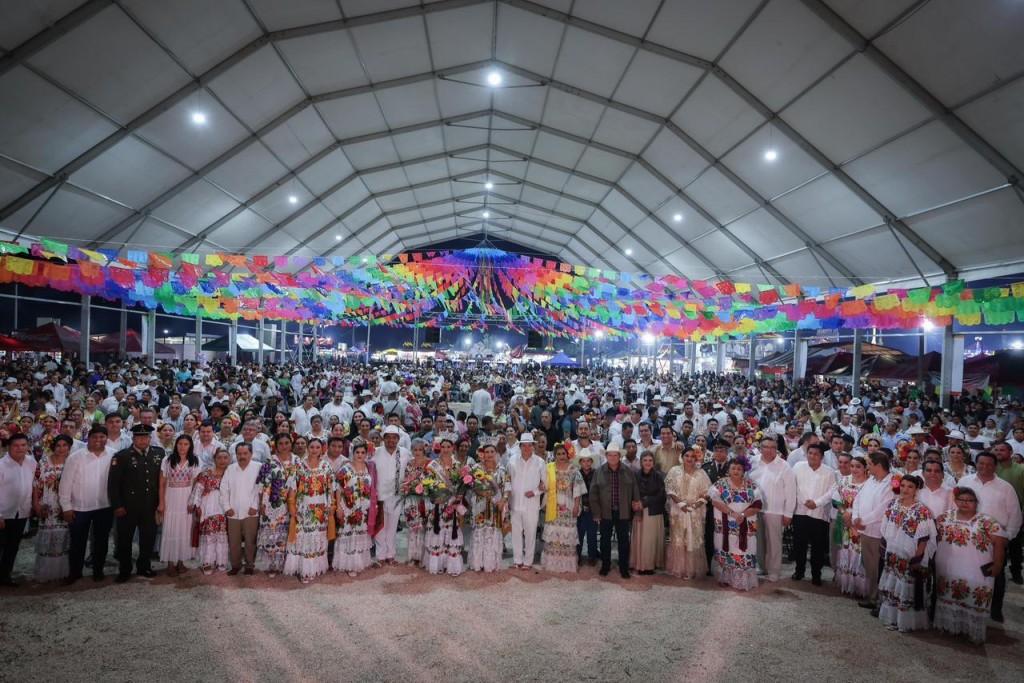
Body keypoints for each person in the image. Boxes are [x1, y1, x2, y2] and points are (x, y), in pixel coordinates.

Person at [934, 486, 1006, 644]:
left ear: (976, 502)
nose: (965, 503)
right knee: (948, 596)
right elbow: (935, 538)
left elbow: (999, 544)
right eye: (961, 499)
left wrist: (998, 565)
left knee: (974, 600)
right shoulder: (943, 518)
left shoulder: (987, 522)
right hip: (948, 567)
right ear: (956, 501)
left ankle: (972, 634)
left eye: (970, 500)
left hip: (976, 571)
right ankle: (950, 628)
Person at [957, 451, 1023, 623]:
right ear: (976, 464)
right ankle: (966, 603)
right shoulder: (965, 481)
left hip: (995, 540)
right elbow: (954, 505)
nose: (984, 467)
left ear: (995, 466)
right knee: (967, 572)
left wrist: (1007, 537)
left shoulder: (1006, 487)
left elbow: (1015, 515)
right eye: (981, 463)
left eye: (989, 464)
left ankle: (995, 609)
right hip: (967, 537)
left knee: (997, 574)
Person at [878, 475, 937, 632]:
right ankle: (893, 620)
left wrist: (917, 558)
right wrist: (885, 547)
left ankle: (906, 622)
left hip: (910, 556)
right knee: (893, 586)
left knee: (906, 587)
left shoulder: (922, 511)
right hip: (893, 552)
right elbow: (885, 527)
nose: (905, 489)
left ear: (916, 489)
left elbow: (924, 538)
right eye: (903, 485)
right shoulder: (893, 504)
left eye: (910, 486)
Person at [108, 424, 163, 583]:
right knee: (125, 540)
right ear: (133, 438)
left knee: (148, 539)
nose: (142, 440)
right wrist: (117, 505)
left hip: (150, 506)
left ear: (150, 438)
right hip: (128, 507)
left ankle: (144, 566)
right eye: (139, 437)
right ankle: (125, 569)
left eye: (145, 437)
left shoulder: (158, 454)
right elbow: (113, 484)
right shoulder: (122, 456)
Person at [59, 426, 114, 584]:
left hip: (105, 506)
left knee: (101, 541)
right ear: (88, 438)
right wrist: (66, 507)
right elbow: (65, 484)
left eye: (102, 437)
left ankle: (98, 570)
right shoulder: (75, 457)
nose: (98, 440)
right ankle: (75, 572)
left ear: (106, 438)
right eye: (94, 437)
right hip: (79, 507)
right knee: (77, 541)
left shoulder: (112, 454)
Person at [708, 456, 762, 590]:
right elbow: (715, 501)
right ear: (728, 470)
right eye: (733, 468)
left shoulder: (751, 484)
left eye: (739, 468)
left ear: (744, 471)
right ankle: (726, 578)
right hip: (725, 526)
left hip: (746, 525)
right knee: (725, 550)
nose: (736, 471)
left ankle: (742, 581)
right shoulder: (720, 484)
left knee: (745, 551)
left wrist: (743, 514)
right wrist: (732, 513)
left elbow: (757, 504)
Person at [285, 438, 335, 583]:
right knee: (303, 538)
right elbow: (292, 488)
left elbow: (332, 488)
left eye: (317, 447)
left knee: (317, 538)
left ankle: (313, 568)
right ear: (307, 448)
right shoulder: (299, 466)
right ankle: (304, 570)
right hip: (303, 508)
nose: (314, 449)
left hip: (321, 509)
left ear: (322, 449)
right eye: (311, 447)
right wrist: (292, 507)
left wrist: (333, 505)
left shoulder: (326, 466)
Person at [852, 452, 896, 613]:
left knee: (880, 568)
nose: (867, 467)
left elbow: (883, 509)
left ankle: (882, 601)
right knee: (870, 567)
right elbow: (858, 499)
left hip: (878, 532)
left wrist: (863, 521)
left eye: (869, 464)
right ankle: (872, 597)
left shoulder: (891, 483)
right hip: (864, 531)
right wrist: (856, 517)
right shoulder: (871, 480)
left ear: (878, 465)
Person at [590, 444, 641, 579]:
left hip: (623, 512)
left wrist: (638, 511)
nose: (612, 457)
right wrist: (596, 513)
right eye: (610, 455)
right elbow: (593, 495)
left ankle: (624, 566)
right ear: (606, 456)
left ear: (620, 456)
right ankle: (605, 565)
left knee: (624, 540)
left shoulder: (629, 471)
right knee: (605, 540)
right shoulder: (599, 472)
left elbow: (635, 491)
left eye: (615, 455)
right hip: (605, 512)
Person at [256, 433, 302, 578]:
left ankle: (290, 563)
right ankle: (273, 565)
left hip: (294, 503)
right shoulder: (269, 461)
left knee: (291, 533)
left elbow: (303, 481)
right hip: (273, 504)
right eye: (280, 443)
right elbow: (261, 484)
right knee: (274, 533)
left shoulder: (298, 460)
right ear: (276, 445)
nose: (284, 446)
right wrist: (261, 504)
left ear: (291, 443)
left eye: (286, 442)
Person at [750, 436, 795, 583]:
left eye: (773, 447)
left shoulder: (783, 466)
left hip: (775, 510)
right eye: (766, 447)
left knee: (774, 541)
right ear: (760, 448)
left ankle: (774, 570)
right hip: (755, 509)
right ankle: (760, 565)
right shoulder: (753, 462)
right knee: (758, 540)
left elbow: (790, 491)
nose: (769, 450)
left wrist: (788, 513)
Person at [790, 443, 836, 586]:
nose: (812, 456)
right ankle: (799, 570)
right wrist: (804, 501)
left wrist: (816, 502)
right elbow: (793, 486)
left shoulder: (829, 471)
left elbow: (832, 491)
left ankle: (816, 574)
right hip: (800, 511)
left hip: (819, 513)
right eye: (810, 453)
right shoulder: (798, 466)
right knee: (800, 544)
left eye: (816, 454)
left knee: (818, 547)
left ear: (822, 456)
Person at [665, 446, 711, 579]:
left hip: (695, 512)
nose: (689, 459)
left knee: (694, 539)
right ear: (682, 457)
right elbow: (669, 488)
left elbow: (707, 492)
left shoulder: (701, 473)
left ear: (696, 458)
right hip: (678, 511)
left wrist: (696, 504)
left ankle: (691, 570)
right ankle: (679, 569)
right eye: (687, 456)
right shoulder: (674, 471)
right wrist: (681, 504)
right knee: (679, 539)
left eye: (692, 456)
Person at [158, 434, 200, 576]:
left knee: (184, 530)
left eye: (186, 444)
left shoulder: (195, 461)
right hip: (171, 498)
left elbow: (195, 484)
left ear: (190, 446)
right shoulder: (168, 460)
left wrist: (193, 502)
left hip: (187, 499)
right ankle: (170, 562)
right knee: (171, 529)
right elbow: (162, 484)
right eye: (180, 444)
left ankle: (181, 561)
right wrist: (161, 502)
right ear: (176, 445)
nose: (182, 447)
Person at [334, 439, 378, 577]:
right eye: (357, 452)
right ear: (352, 453)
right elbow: (338, 489)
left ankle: (359, 562)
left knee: (361, 535)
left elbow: (373, 487)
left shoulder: (369, 468)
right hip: (348, 508)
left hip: (364, 509)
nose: (360, 455)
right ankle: (349, 564)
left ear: (367, 454)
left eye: (363, 452)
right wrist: (339, 508)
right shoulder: (346, 469)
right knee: (349, 535)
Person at [422, 438, 464, 576]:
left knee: (452, 532)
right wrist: (434, 496)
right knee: (437, 531)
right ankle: (437, 564)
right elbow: (425, 483)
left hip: (452, 505)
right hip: (437, 505)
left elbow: (463, 485)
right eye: (443, 446)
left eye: (448, 446)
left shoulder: (458, 465)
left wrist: (458, 499)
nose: (446, 449)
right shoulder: (432, 465)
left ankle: (451, 565)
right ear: (439, 448)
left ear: (453, 448)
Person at [32, 433, 72, 582]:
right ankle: (46, 572)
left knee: (64, 539)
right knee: (48, 539)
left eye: (65, 446)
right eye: (58, 446)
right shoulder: (43, 462)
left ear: (69, 447)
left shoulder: (72, 462)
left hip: (65, 506)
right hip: (48, 505)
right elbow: (36, 484)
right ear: (53, 447)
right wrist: (36, 504)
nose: (61, 449)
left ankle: (63, 571)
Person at [540, 443, 585, 573]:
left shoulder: (573, 470)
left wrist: (576, 506)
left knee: (567, 535)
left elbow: (578, 490)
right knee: (553, 536)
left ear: (567, 455)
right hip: (553, 508)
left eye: (563, 454)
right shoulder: (549, 469)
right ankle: (552, 564)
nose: (561, 456)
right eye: (558, 454)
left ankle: (567, 565)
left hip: (568, 510)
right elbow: (544, 485)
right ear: (554, 456)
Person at [0, 434, 37, 587]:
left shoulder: (31, 462)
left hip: (21, 512)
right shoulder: (1, 465)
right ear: (8, 447)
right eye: (16, 445)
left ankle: (4, 575)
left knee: (13, 545)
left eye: (23, 445)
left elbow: (33, 484)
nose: (20, 448)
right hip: (3, 513)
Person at [372, 425, 410, 568]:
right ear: (384, 439)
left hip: (396, 496)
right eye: (388, 438)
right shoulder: (375, 452)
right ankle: (380, 555)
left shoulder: (405, 453)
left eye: (394, 438)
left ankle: (391, 555)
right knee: (380, 527)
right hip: (379, 495)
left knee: (393, 527)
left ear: (399, 439)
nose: (391, 441)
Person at [507, 434, 546, 571]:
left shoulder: (540, 462)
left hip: (531, 504)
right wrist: (507, 499)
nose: (527, 448)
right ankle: (517, 560)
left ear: (533, 446)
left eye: (530, 445)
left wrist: (534, 492)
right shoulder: (511, 460)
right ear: (520, 446)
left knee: (530, 533)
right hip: (515, 503)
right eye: (524, 445)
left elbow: (545, 484)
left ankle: (528, 562)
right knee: (516, 533)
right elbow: (507, 481)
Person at [220, 442, 261, 576]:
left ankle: (249, 565)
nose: (242, 456)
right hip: (233, 511)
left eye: (245, 453)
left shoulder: (258, 468)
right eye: (239, 453)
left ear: (251, 454)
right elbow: (224, 490)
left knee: (250, 540)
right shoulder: (230, 469)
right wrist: (227, 507)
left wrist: (255, 506)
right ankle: (235, 565)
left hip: (251, 511)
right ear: (235, 454)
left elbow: (260, 489)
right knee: (234, 541)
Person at [832, 455, 869, 598]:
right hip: (845, 520)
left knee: (859, 553)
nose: (854, 469)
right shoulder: (844, 480)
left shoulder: (869, 484)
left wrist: (854, 517)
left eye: (858, 466)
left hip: (860, 522)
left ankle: (860, 587)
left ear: (865, 468)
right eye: (852, 466)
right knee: (845, 550)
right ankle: (846, 583)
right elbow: (835, 500)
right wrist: (844, 512)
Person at [189, 448, 230, 575]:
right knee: (209, 534)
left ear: (229, 459)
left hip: (224, 508)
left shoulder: (231, 473)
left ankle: (221, 561)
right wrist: (197, 507)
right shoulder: (206, 473)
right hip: (209, 507)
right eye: (219, 458)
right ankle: (207, 562)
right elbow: (198, 490)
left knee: (222, 534)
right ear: (214, 459)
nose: (222, 460)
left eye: (225, 458)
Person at [468, 443, 508, 572]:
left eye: (492, 451)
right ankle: (478, 562)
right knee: (480, 531)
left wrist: (504, 500)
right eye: (487, 452)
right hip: (480, 505)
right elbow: (470, 486)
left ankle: (491, 563)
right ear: (482, 454)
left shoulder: (502, 469)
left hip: (496, 506)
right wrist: (480, 492)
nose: (489, 454)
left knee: (493, 531)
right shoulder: (476, 468)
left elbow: (507, 487)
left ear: (496, 453)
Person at [631, 451, 666, 575]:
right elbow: (632, 491)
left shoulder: (659, 475)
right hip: (639, 511)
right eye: (645, 460)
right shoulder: (635, 475)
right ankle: (638, 563)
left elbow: (662, 495)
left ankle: (649, 565)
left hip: (653, 511)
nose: (647, 463)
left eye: (650, 460)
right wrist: (635, 503)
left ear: (654, 462)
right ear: (641, 462)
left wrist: (644, 503)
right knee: (639, 538)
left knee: (650, 540)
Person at [402, 438, 431, 566]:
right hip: (411, 500)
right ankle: (413, 556)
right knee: (413, 528)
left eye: (420, 449)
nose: (417, 452)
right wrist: (408, 487)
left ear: (425, 449)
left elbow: (432, 482)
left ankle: (423, 557)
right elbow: (405, 480)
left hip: (425, 500)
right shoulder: (409, 463)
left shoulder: (430, 463)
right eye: (415, 449)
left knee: (424, 528)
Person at [575, 449, 599, 567]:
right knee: (579, 534)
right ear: (580, 462)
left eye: (588, 461)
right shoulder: (576, 473)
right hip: (580, 509)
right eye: (583, 461)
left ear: (591, 462)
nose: (586, 463)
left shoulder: (596, 473)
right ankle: (577, 556)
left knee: (592, 534)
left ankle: (592, 556)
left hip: (592, 509)